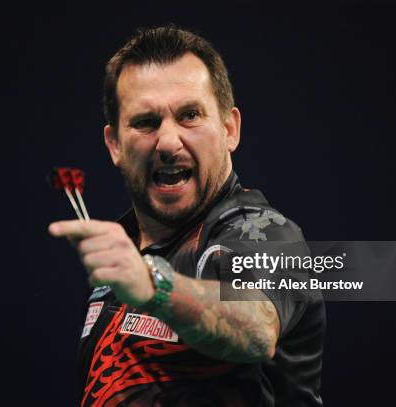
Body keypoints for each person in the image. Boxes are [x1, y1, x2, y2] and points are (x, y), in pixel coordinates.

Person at [49, 26, 325, 406]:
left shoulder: (264, 232)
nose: (167, 142)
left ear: (229, 129)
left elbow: (256, 327)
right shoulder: (122, 249)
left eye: (189, 115)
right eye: (146, 122)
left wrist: (155, 286)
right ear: (114, 145)